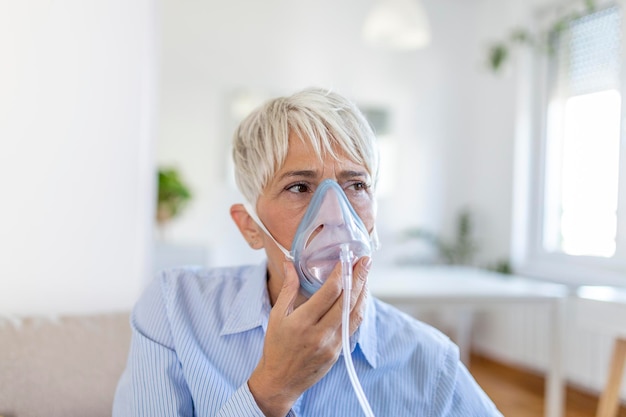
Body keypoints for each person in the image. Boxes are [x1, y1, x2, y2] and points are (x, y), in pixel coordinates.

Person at [113, 87, 503, 417]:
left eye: (356, 186)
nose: (336, 216)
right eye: (299, 187)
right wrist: (271, 389)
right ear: (249, 226)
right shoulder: (175, 310)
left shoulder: (429, 362)